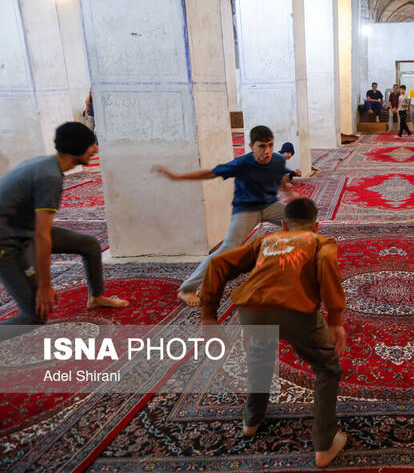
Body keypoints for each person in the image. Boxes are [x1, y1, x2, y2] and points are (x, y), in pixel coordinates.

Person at [200, 198, 347, 468]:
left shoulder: (266, 240)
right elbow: (327, 266)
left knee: (260, 348)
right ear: (315, 226)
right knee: (327, 367)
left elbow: (217, 263)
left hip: (251, 311)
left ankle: (251, 420)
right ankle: (325, 445)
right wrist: (335, 320)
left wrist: (209, 315)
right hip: (296, 313)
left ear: (284, 225)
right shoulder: (320, 242)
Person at [0, 122, 129, 335]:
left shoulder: (48, 166)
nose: (95, 149)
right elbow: (42, 237)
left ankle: (96, 298)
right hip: (7, 241)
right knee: (33, 317)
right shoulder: (49, 177)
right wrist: (44, 285)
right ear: (77, 147)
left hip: (22, 229)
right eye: (91, 144)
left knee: (89, 245)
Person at [154, 125, 297, 307]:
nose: (267, 151)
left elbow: (281, 174)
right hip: (246, 209)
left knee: (301, 221)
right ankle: (187, 289)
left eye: (270, 145)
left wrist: (289, 193)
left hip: (270, 205)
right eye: (262, 146)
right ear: (251, 146)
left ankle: (284, 267)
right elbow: (210, 173)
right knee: (227, 249)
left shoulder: (278, 159)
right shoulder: (242, 163)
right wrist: (177, 177)